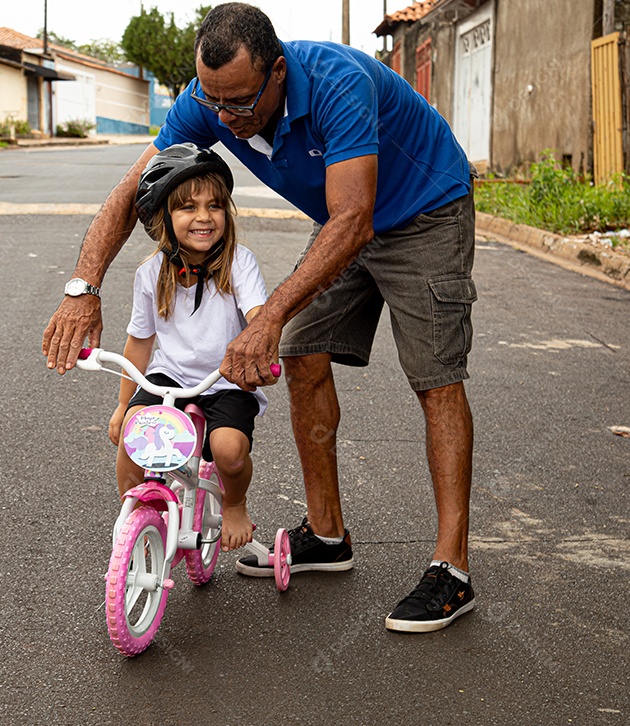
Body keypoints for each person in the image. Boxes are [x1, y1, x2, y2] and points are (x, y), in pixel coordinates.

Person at [43, 2, 477, 632]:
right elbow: (132, 187)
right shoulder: (213, 98)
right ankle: (328, 537)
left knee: (435, 377)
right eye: (214, 103)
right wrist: (83, 286)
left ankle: (452, 569)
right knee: (300, 353)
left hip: (424, 212)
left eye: (241, 104)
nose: (227, 120)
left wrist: (266, 315)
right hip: (346, 222)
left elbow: (354, 219)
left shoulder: (339, 83)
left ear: (277, 72)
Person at [108, 143, 269, 552]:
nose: (203, 217)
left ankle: (234, 503)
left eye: (215, 206)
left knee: (228, 450)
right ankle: (135, 515)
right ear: (163, 216)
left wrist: (261, 350)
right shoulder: (150, 273)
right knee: (133, 435)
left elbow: (259, 316)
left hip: (226, 378)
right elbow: (140, 342)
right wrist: (123, 405)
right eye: (187, 208)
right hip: (170, 378)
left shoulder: (239, 263)